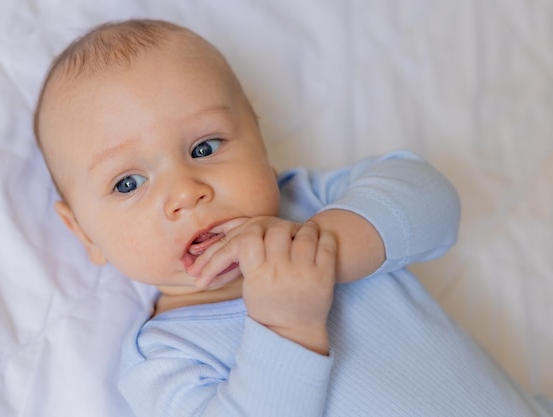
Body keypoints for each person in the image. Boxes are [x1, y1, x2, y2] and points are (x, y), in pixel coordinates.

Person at [33, 19, 553, 417]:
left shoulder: (311, 205)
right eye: (128, 183)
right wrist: (284, 327)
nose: (186, 193)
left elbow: (433, 202)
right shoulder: (168, 355)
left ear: (260, 143)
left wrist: (321, 247)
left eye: (204, 146)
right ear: (84, 232)